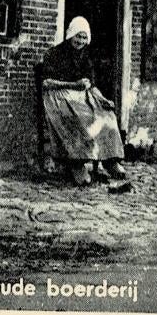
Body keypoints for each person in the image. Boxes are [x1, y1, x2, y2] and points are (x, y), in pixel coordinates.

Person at [41, 16, 127, 187]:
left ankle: (110, 160)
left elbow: (91, 85)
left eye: (84, 37)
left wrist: (103, 99)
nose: (80, 41)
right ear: (71, 34)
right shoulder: (55, 53)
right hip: (58, 96)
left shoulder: (86, 57)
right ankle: (77, 164)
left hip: (80, 95)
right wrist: (74, 85)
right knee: (79, 117)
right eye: (78, 36)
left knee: (107, 115)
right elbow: (46, 83)